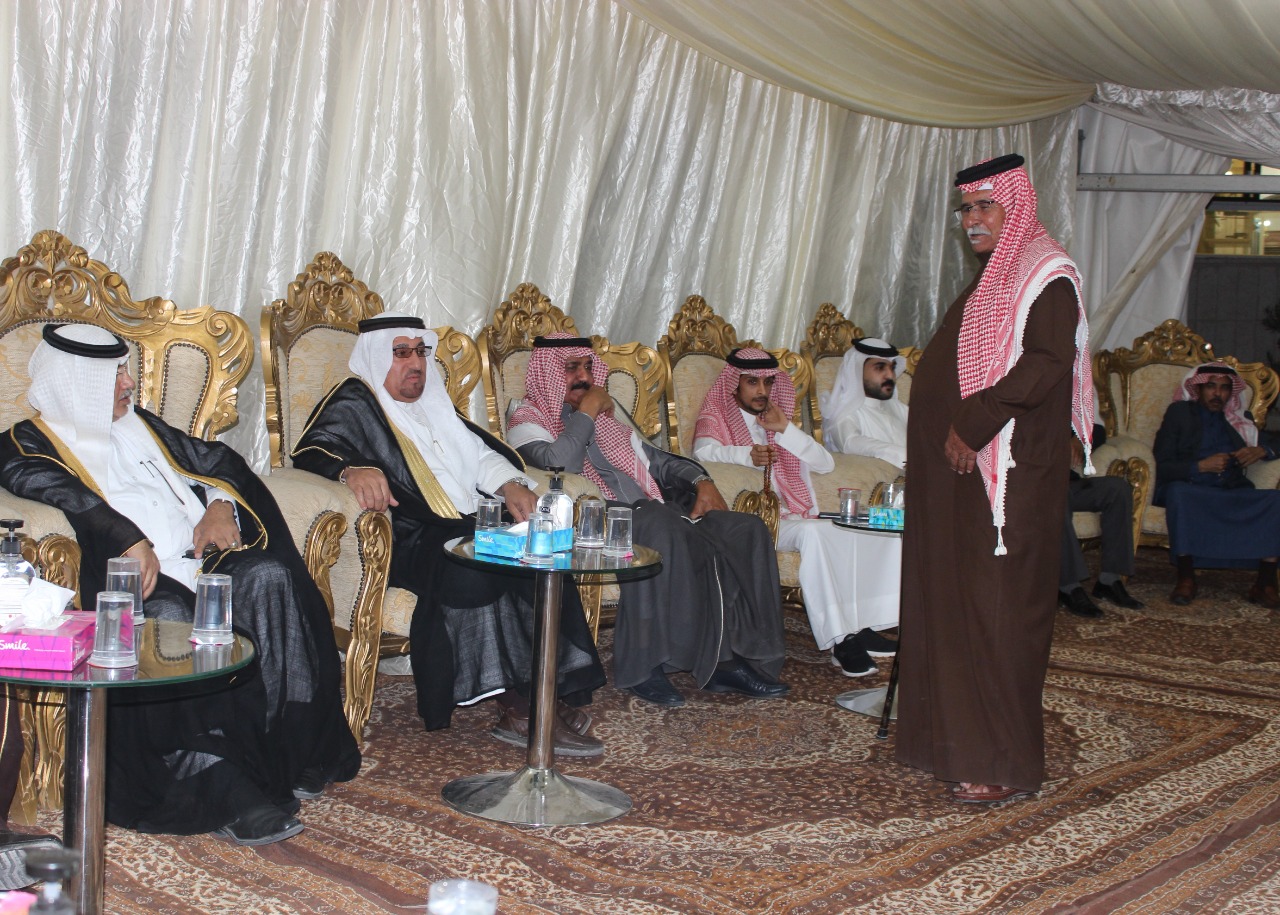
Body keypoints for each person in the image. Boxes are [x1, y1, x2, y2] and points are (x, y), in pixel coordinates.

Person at [0, 324, 361, 845]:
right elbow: (49, 487)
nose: (129, 383)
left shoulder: (141, 424)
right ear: (76, 381)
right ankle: (224, 787)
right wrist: (126, 537)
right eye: (114, 374)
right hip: (133, 582)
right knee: (168, 622)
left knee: (270, 576)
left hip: (201, 562)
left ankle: (289, 753)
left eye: (126, 369)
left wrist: (220, 505)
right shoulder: (28, 443)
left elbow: (217, 462)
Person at [292, 314, 606, 755]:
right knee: (475, 569)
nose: (415, 363)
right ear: (378, 357)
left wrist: (511, 484)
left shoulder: (435, 399)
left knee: (539, 553)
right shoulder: (355, 402)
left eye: (420, 352)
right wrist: (350, 470)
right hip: (409, 533)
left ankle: (545, 689)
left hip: (466, 523)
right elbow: (311, 450)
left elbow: (479, 453)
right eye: (401, 353)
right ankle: (520, 708)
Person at [895, 153, 1094, 805]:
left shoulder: (1045, 277)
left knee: (999, 613)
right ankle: (950, 745)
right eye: (965, 209)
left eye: (985, 206)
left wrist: (974, 420)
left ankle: (1003, 761)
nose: (972, 219)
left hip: (1007, 477)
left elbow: (1045, 363)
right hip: (961, 477)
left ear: (1017, 205)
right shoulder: (991, 278)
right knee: (955, 606)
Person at [507, 333, 789, 707]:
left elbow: (659, 460)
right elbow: (560, 463)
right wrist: (588, 412)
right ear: (548, 373)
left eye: (588, 367)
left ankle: (739, 656)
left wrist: (701, 481)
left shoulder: (609, 421)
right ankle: (646, 667)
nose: (584, 376)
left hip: (659, 510)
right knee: (661, 524)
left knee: (746, 530)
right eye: (571, 368)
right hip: (601, 520)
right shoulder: (526, 419)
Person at [692, 347, 897, 677]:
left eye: (768, 382)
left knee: (848, 529)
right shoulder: (717, 415)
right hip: (757, 521)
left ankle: (861, 626)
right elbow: (702, 452)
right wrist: (746, 455)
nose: (762, 390)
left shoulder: (774, 418)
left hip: (793, 513)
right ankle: (841, 642)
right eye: (752, 382)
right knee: (814, 533)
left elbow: (824, 463)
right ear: (734, 384)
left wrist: (785, 428)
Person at [1153, 362, 1280, 608]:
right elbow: (1162, 464)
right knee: (1179, 494)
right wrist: (1199, 466)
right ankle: (1186, 578)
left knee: (1275, 500)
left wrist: (1262, 450)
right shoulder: (1179, 414)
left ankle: (1264, 584)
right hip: (1191, 486)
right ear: (1198, 389)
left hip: (1229, 488)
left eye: (1224, 388)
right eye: (1211, 387)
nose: (1217, 394)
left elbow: (1275, 442)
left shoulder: (1237, 420)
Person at [1058, 423, 1142, 617]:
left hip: (1070, 483)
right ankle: (1068, 587)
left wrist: (1079, 439)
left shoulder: (1059, 410)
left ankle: (1109, 579)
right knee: (1058, 497)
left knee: (1117, 489)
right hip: (1040, 488)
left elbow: (1099, 430)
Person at [821, 337, 909, 468]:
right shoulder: (844, 412)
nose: (890, 375)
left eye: (892, 368)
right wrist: (908, 456)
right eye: (880, 368)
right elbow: (850, 442)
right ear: (857, 370)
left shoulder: (899, 409)